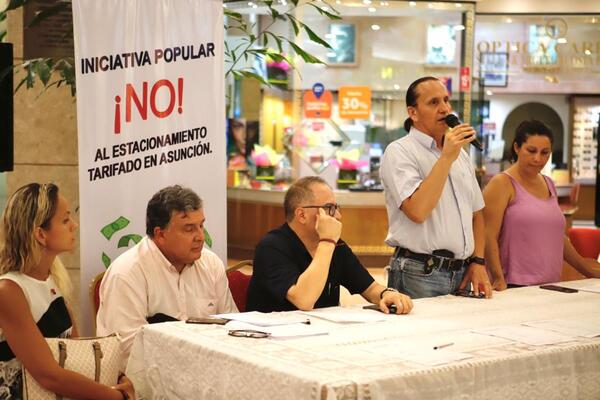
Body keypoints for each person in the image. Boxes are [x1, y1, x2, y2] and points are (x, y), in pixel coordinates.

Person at [0, 183, 134, 400]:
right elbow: (48, 375)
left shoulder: (52, 280)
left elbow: (75, 354)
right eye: (65, 220)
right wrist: (116, 396)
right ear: (41, 235)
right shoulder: (9, 291)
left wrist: (116, 379)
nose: (75, 225)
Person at [96, 185, 237, 366]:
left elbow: (232, 327)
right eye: (189, 229)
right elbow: (127, 349)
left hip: (206, 370)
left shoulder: (211, 264)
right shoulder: (127, 273)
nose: (200, 236)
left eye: (201, 226)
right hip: (144, 381)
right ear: (160, 234)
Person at [380, 76, 492, 299]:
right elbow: (417, 211)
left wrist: (478, 261)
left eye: (446, 100)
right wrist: (446, 157)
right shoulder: (400, 151)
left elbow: (477, 214)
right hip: (420, 272)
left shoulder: (460, 155)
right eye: (433, 103)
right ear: (413, 112)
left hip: (462, 272)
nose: (444, 109)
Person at [246, 176, 413, 314]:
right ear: (302, 215)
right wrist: (326, 242)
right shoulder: (271, 247)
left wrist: (386, 294)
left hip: (321, 335)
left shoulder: (336, 247)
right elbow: (304, 300)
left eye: (337, 207)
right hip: (271, 340)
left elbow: (370, 288)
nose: (338, 216)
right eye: (329, 208)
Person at [483, 120, 600, 289]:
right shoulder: (502, 183)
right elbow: (487, 235)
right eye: (531, 151)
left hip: (551, 283)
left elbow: (558, 238)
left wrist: (589, 271)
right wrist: (497, 278)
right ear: (517, 148)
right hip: (513, 284)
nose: (538, 158)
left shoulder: (549, 183)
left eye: (545, 152)